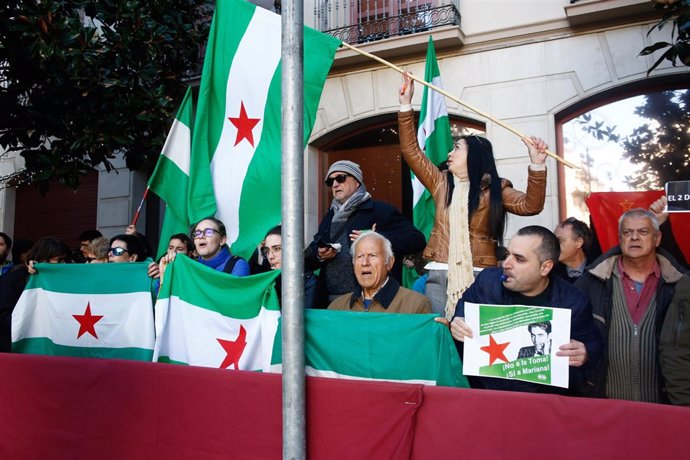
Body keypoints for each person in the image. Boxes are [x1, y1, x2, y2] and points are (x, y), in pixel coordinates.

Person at [398, 72, 548, 316]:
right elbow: (411, 151)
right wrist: (406, 104)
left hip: (480, 274)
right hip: (438, 273)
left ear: (474, 157)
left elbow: (531, 206)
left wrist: (537, 165)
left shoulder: (496, 189)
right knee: (442, 334)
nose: (449, 153)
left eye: (457, 148)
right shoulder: (441, 183)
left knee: (474, 339)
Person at [450, 225, 602, 395]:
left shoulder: (573, 302)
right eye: (507, 255)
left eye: (519, 259)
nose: (506, 264)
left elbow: (593, 345)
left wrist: (585, 353)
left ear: (545, 267)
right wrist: (457, 323)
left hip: (541, 405)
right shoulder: (487, 281)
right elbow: (462, 312)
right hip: (486, 396)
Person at [574, 208, 688, 404]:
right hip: (607, 407)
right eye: (627, 232)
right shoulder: (590, 283)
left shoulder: (679, 285)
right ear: (620, 238)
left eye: (643, 232)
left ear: (657, 238)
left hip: (665, 408)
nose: (634, 237)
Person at [307, 160, 426, 305]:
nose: (335, 184)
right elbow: (310, 256)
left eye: (341, 178)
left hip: (371, 300)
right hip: (330, 302)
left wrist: (377, 238)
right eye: (330, 182)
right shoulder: (329, 217)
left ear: (357, 182)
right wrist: (320, 254)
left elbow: (417, 240)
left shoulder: (380, 211)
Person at [328, 232, 431, 313]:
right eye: (360, 257)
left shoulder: (416, 305)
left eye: (372, 255)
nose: (365, 263)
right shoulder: (336, 308)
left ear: (390, 262)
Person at [0, 237, 71, 352]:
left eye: (65, 260)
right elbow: (4, 317)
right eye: (59, 260)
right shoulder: (13, 280)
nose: (63, 264)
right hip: (17, 349)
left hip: (51, 348)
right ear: (44, 258)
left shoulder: (63, 282)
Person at [260, 225, 320, 309]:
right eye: (267, 250)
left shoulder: (311, 283)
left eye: (277, 248)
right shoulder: (271, 281)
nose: (270, 256)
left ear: (294, 248)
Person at [553, 217, 593, 283]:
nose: (554, 245)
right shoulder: (549, 273)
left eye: (560, 240)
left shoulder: (599, 272)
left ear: (579, 242)